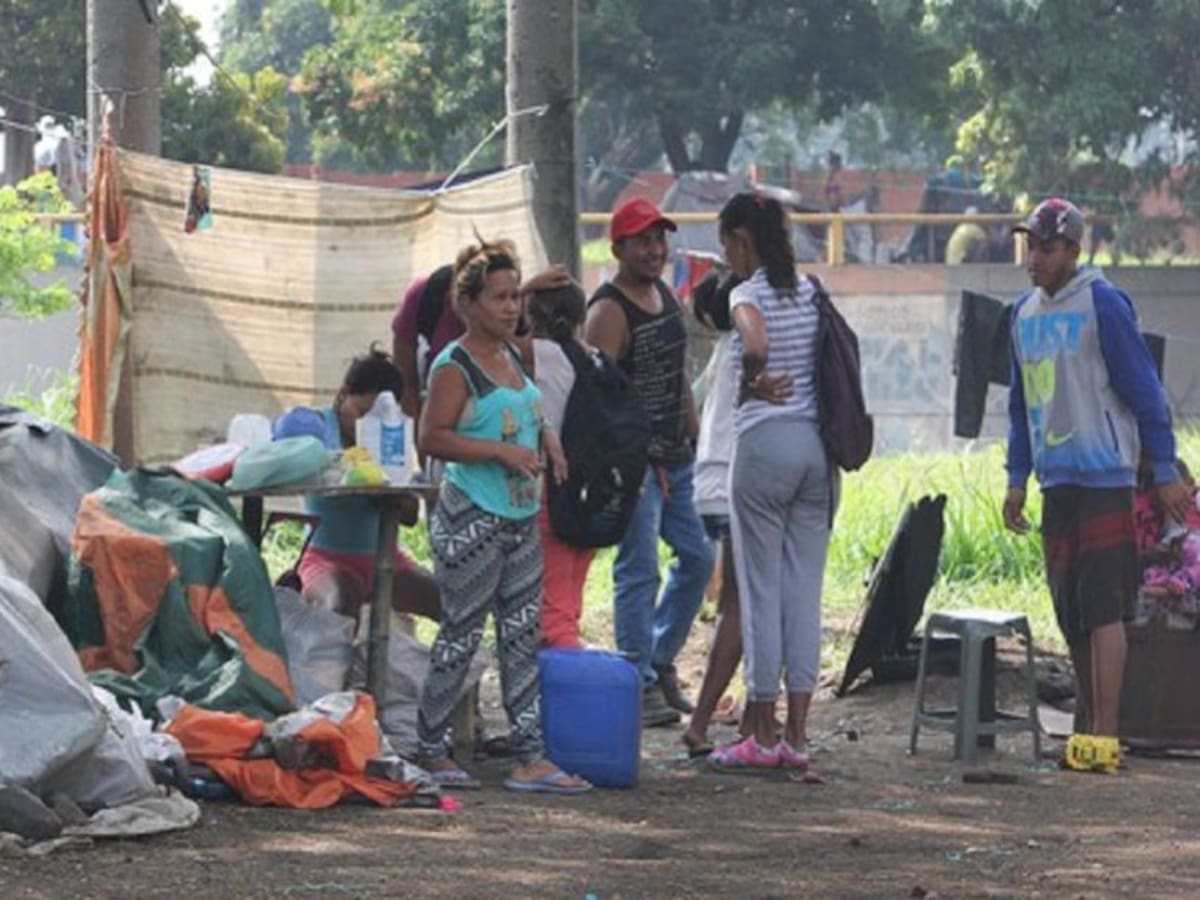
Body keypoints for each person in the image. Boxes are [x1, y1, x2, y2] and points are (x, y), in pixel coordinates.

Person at [1002, 197, 1191, 774]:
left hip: (1106, 473)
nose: (1033, 257)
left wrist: (1162, 467)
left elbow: (1145, 392)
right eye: (1028, 245)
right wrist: (1016, 477)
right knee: (1071, 608)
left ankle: (1107, 734)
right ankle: (1084, 724)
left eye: (1044, 246)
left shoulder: (1103, 304)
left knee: (1105, 605)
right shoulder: (1022, 315)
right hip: (1056, 479)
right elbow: (1019, 404)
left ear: (1072, 250)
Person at [414, 237, 590, 794]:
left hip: (519, 515)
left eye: (517, 296)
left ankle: (531, 756)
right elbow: (432, 437)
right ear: (469, 305)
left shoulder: (515, 354)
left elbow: (528, 410)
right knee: (461, 634)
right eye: (500, 298)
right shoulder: (456, 365)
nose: (513, 307)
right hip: (472, 516)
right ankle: (430, 747)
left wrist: (549, 439)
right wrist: (498, 452)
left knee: (521, 636)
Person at [708, 192, 832, 773]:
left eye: (726, 244)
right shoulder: (810, 291)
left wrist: (751, 380)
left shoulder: (747, 292)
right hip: (815, 452)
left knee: (758, 592)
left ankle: (759, 731)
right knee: (803, 593)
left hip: (763, 449)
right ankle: (799, 736)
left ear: (740, 241)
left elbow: (753, 340)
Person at [585, 198, 715, 728]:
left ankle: (659, 661)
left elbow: (677, 373)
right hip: (634, 466)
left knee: (699, 558)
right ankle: (636, 683)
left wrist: (695, 432)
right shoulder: (608, 311)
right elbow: (594, 397)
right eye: (642, 241)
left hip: (677, 457)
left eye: (659, 240)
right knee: (638, 571)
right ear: (618, 249)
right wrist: (615, 467)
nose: (654, 250)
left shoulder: (664, 295)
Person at [273, 346, 441, 625]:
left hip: (385, 558)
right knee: (341, 599)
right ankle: (333, 668)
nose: (365, 425)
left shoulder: (389, 438)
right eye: (361, 413)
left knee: (445, 601)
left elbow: (410, 516)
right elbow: (292, 469)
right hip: (325, 558)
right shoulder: (316, 428)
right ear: (343, 394)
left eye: (375, 418)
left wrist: (384, 490)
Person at [681, 271, 745, 758]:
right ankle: (703, 722)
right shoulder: (744, 347)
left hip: (711, 485)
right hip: (732, 483)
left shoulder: (726, 350)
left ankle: (737, 715)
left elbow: (696, 402)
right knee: (745, 609)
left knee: (734, 607)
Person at [525, 280, 596, 648]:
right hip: (591, 497)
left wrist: (526, 289)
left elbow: (478, 342)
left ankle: (565, 699)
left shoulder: (533, 354)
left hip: (549, 495)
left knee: (552, 618)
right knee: (568, 605)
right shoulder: (595, 359)